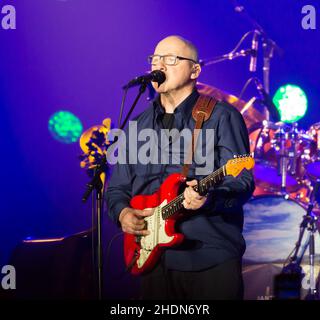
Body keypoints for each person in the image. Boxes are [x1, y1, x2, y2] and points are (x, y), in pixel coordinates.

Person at [105, 35, 255, 300]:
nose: (159, 65)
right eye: (155, 59)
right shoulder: (137, 124)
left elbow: (242, 182)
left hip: (209, 257)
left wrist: (210, 198)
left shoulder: (221, 116)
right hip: (152, 261)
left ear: (195, 70)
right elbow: (116, 188)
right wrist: (123, 214)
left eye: (171, 59)